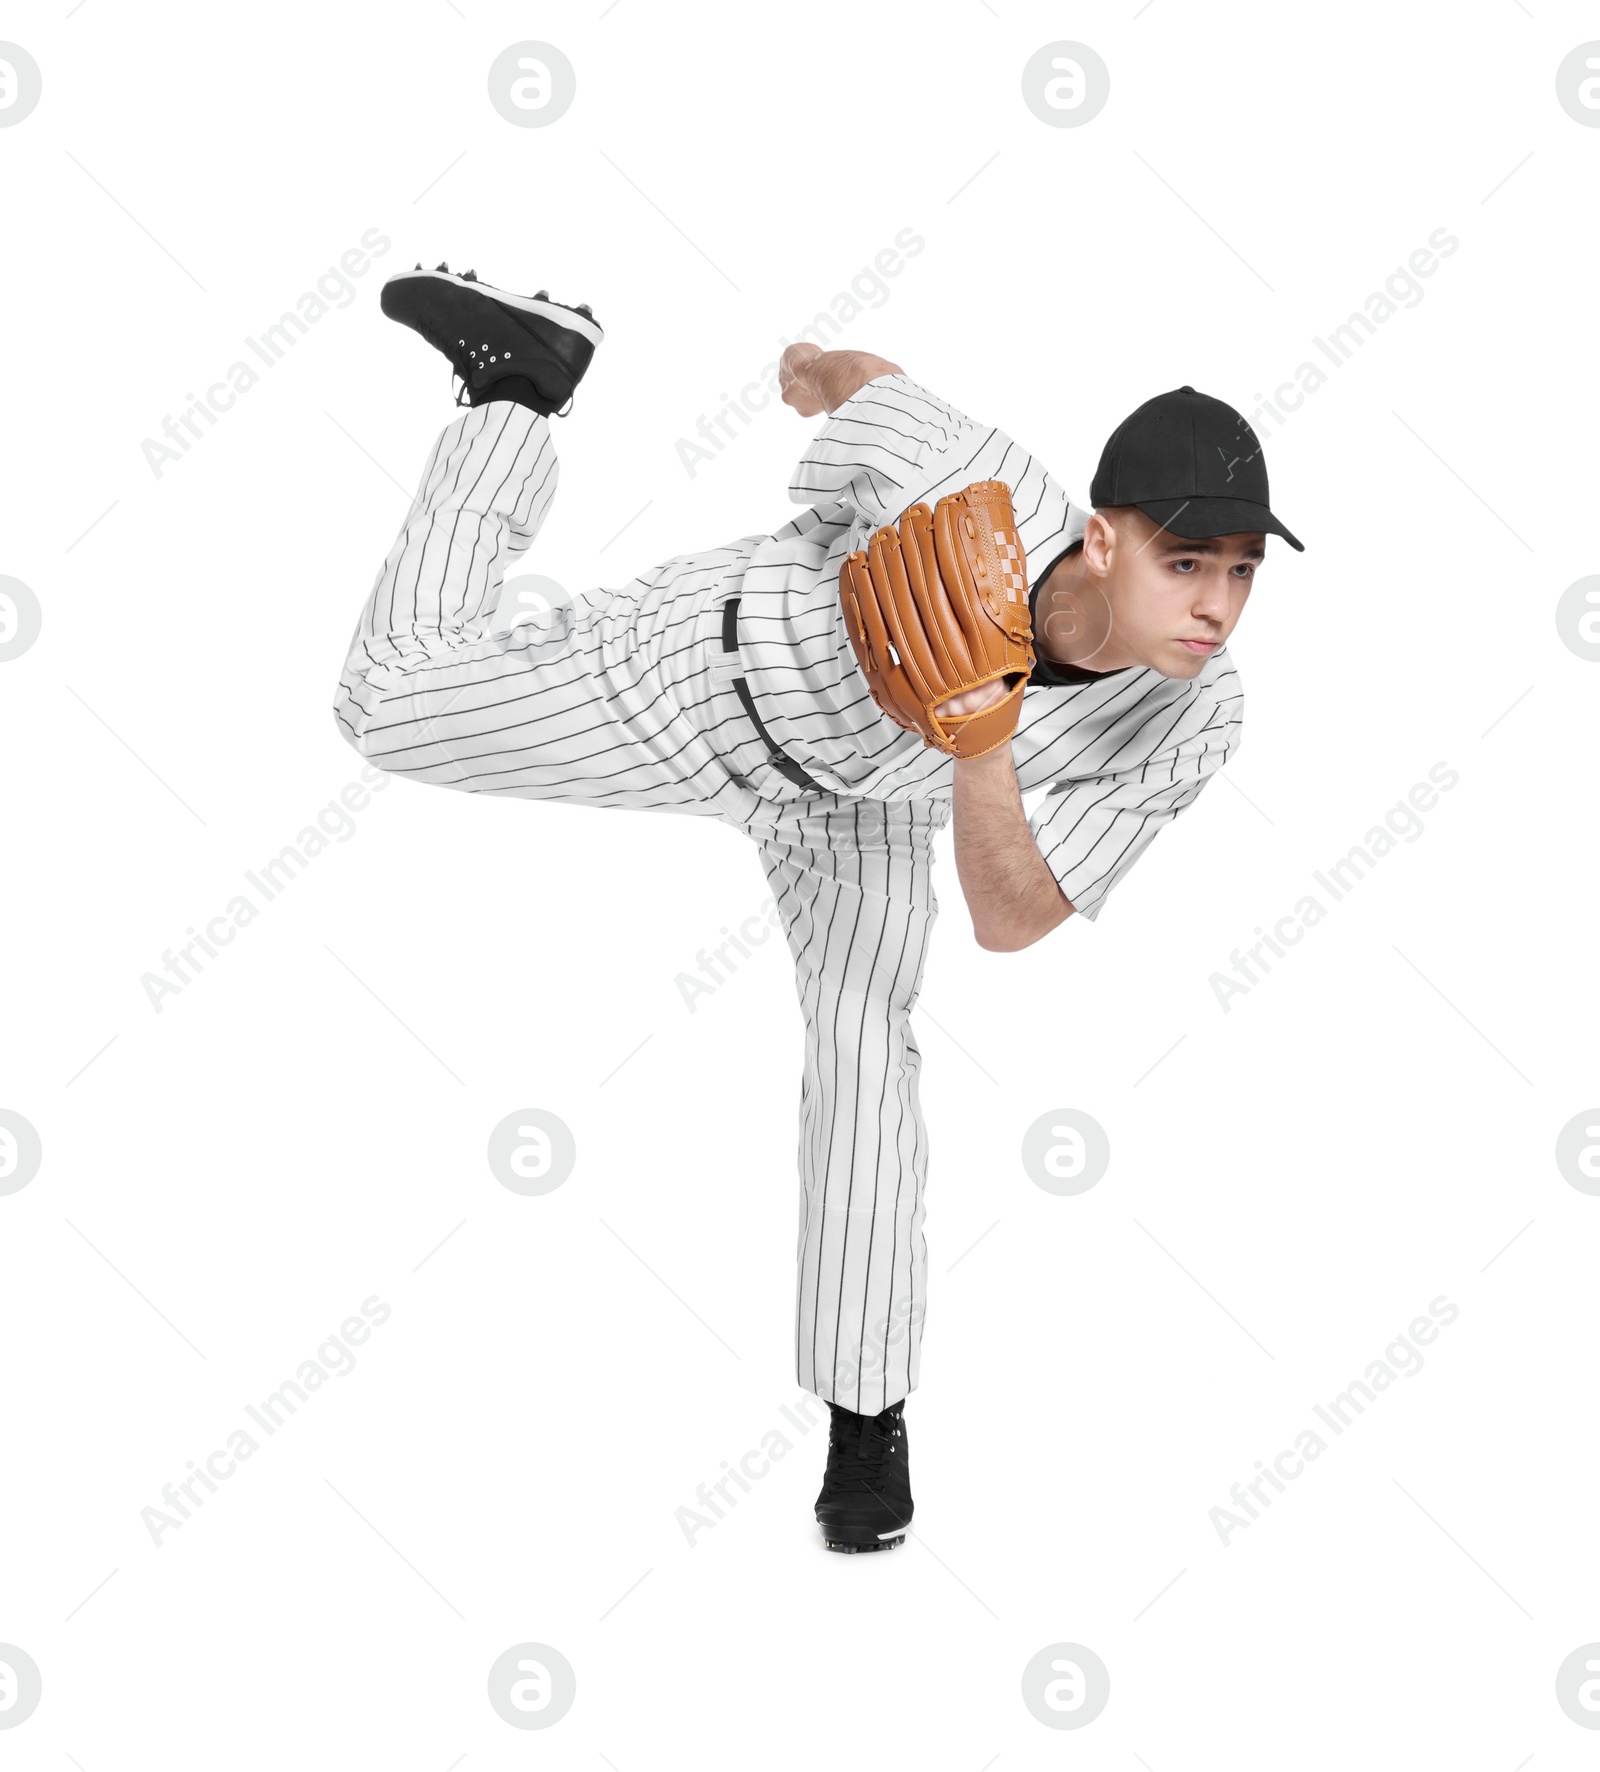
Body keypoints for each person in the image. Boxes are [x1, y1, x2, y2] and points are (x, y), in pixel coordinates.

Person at [334, 264, 1303, 1553]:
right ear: (1102, 538)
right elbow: (868, 390)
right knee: (387, 703)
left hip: (872, 815)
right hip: (707, 676)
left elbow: (1012, 919)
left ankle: (867, 1417)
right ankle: (517, 391)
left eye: (1242, 569)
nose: (1217, 606)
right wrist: (812, 370)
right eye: (1188, 560)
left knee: (869, 1049)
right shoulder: (978, 482)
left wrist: (977, 735)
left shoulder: (1200, 711)